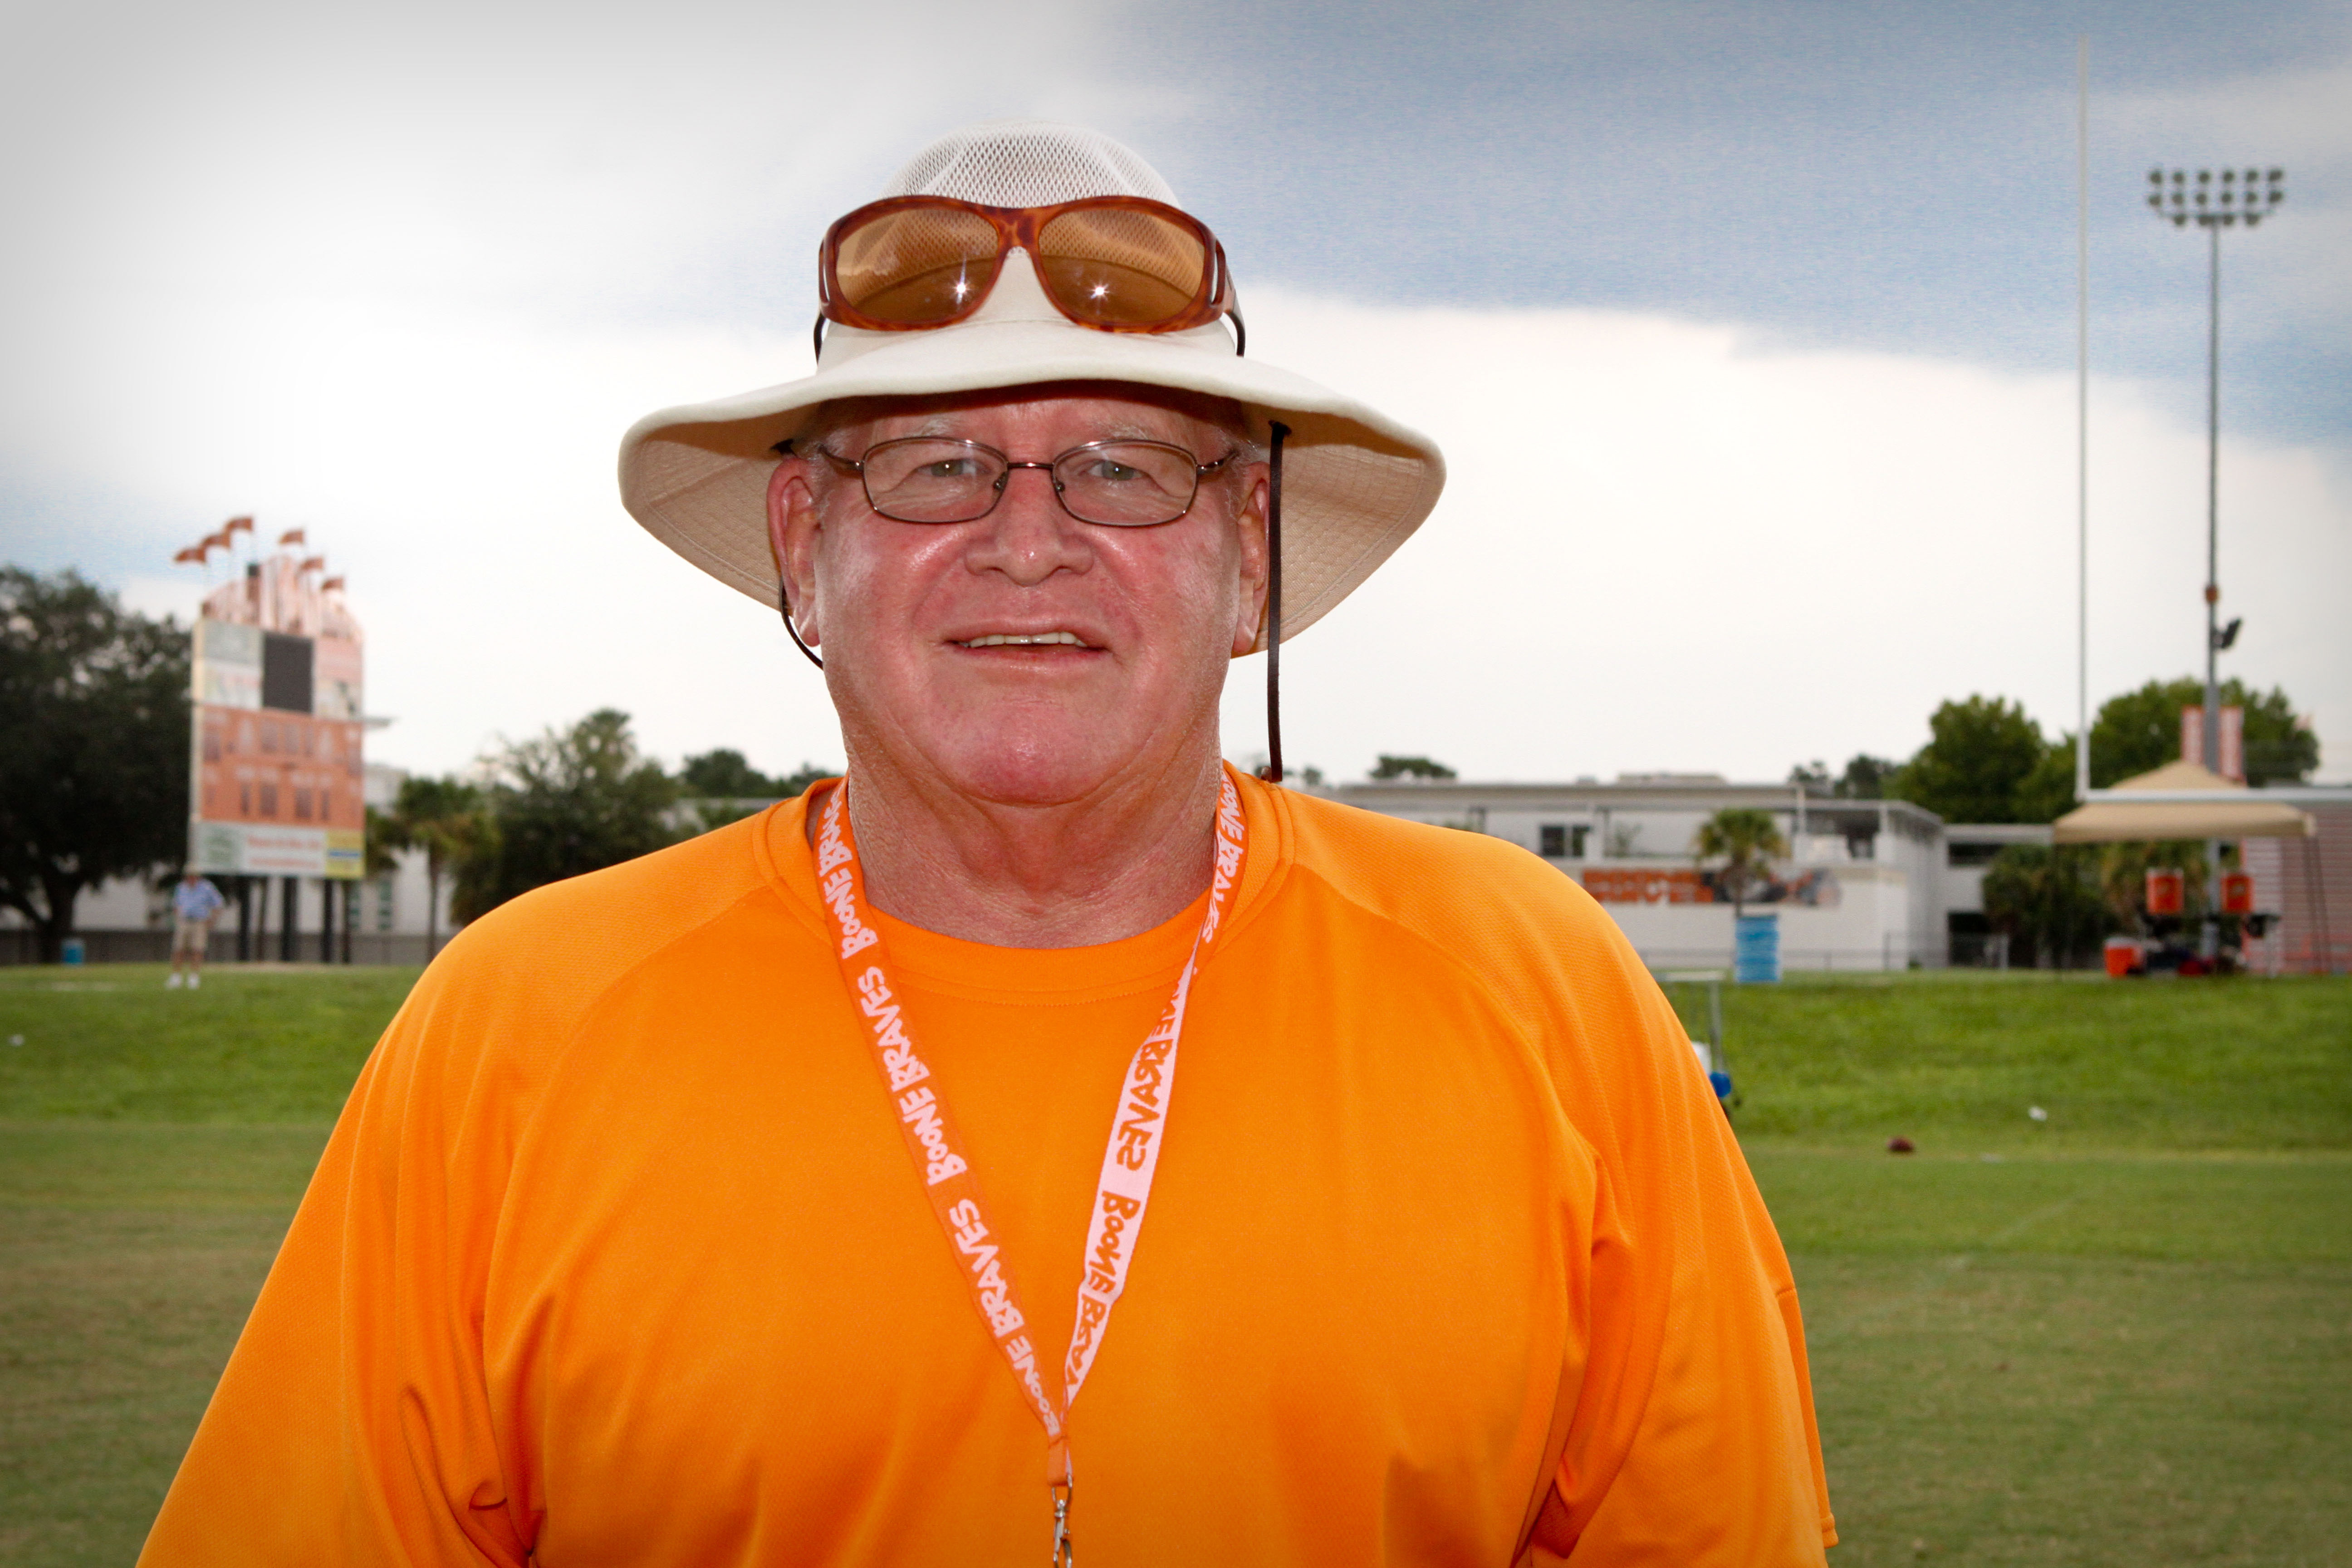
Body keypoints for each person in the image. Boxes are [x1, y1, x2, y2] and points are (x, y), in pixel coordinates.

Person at [142, 122, 1833, 1565]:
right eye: (937, 468)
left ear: (1249, 550)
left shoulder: (1537, 993)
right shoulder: (516, 1025)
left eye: (1124, 469)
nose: (1030, 545)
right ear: (802, 544)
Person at [166, 869, 224, 989]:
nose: (191, 878)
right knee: (178, 949)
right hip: (184, 921)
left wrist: (212, 919)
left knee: (197, 949)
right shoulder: (181, 888)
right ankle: (176, 977)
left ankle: (194, 977)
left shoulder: (207, 888)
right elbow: (176, 904)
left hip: (199, 922)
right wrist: (177, 916)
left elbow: (218, 903)